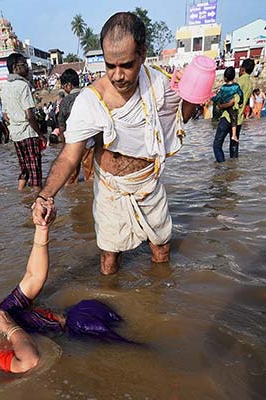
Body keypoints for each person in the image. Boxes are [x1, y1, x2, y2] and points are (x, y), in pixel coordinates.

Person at [31, 12, 197, 275]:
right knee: (109, 259)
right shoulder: (91, 100)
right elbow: (69, 156)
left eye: (126, 65)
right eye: (110, 66)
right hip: (111, 187)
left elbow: (178, 121)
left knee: (162, 249)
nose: (117, 75)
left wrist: (192, 93)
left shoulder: (159, 84)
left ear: (142, 54)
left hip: (148, 183)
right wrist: (45, 195)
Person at [0, 222, 130, 373]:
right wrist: (11, 328)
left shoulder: (3, 313)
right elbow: (30, 362)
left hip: (78, 312)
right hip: (80, 333)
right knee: (138, 348)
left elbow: (34, 277)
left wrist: (42, 228)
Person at [1, 53, 46, 190]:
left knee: (25, 169)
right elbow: (29, 115)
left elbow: (5, 115)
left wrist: (15, 123)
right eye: (24, 65)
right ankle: (37, 200)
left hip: (16, 135)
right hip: (28, 133)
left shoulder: (5, 87)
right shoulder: (23, 86)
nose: (27, 68)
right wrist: (40, 134)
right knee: (35, 171)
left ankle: (21, 196)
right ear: (15, 67)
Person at [213, 59, 254, 162]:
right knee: (234, 146)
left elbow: (232, 102)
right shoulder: (250, 83)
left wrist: (220, 106)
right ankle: (233, 169)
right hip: (239, 119)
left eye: (240, 68)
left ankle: (221, 168)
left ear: (243, 69)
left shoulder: (239, 82)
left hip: (228, 117)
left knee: (217, 145)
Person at [212, 67, 243, 143]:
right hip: (231, 106)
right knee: (234, 119)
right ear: (234, 77)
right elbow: (241, 94)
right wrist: (240, 102)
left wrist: (212, 98)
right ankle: (234, 135)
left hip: (224, 106)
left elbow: (218, 97)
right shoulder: (236, 86)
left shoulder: (223, 88)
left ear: (225, 78)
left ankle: (233, 135)